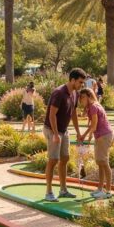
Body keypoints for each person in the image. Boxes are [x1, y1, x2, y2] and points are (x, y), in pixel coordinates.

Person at [43, 68, 85, 201]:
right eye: (80, 82)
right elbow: (52, 115)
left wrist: (78, 132)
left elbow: (73, 114)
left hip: (64, 130)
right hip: (52, 129)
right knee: (53, 160)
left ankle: (63, 190)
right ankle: (48, 192)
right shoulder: (59, 93)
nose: (82, 85)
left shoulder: (75, 94)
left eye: (83, 83)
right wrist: (55, 134)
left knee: (65, 158)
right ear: (72, 80)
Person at [78, 88, 113, 199]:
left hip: (104, 136)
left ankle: (108, 191)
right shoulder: (93, 106)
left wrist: (86, 137)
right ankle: (100, 189)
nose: (81, 99)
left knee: (104, 163)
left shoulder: (93, 107)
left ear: (89, 96)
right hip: (101, 136)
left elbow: (93, 126)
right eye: (80, 97)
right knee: (100, 163)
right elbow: (93, 125)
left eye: (83, 97)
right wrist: (85, 136)